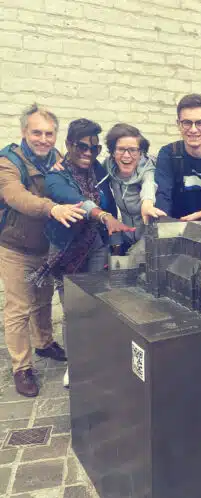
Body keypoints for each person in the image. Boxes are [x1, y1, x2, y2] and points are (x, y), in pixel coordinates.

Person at [29, 119, 134, 388]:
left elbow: (126, 171)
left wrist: (115, 239)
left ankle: (95, 358)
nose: (88, 153)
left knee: (96, 305)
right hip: (66, 250)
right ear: (69, 145)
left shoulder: (99, 170)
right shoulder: (56, 175)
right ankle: (76, 364)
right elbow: (73, 199)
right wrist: (103, 216)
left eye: (94, 148)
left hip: (96, 246)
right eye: (82, 146)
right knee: (73, 309)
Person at [0, 104, 86, 397]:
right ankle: (21, 367)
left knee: (43, 300)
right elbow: (16, 196)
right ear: (24, 131)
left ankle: (44, 343)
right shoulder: (8, 162)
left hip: (47, 246)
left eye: (49, 134)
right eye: (37, 132)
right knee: (18, 308)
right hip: (16, 247)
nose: (43, 139)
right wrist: (53, 208)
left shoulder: (57, 158)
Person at [102, 123, 166, 254]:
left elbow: (149, 184)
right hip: (125, 237)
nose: (126, 155)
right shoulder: (108, 166)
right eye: (121, 149)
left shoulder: (148, 169)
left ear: (141, 153)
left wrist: (147, 204)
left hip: (148, 240)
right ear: (113, 152)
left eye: (133, 150)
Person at [155, 94, 201, 222]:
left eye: (200, 123)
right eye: (187, 123)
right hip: (177, 226)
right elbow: (163, 194)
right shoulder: (169, 153)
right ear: (178, 124)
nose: (193, 130)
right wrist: (163, 225)